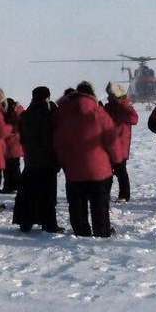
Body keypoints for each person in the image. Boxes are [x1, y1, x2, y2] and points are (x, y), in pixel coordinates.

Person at [54, 81, 118, 237]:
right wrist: (115, 160)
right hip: (99, 169)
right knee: (100, 204)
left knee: (77, 205)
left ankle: (81, 232)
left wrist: (65, 163)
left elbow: (58, 143)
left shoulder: (63, 115)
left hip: (74, 170)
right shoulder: (99, 113)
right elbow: (112, 139)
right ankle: (102, 231)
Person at [14, 86, 63, 233]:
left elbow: (22, 136)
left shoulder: (26, 115)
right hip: (47, 161)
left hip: (30, 159)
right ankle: (49, 224)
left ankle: (25, 221)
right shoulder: (49, 114)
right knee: (48, 195)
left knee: (28, 193)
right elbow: (51, 137)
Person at [104, 82, 138, 202]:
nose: (108, 97)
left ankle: (124, 195)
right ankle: (105, 194)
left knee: (121, 172)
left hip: (120, 147)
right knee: (106, 172)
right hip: (107, 145)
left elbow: (134, 119)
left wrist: (122, 105)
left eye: (111, 95)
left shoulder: (126, 108)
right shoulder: (107, 107)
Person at [2, 97, 25, 194]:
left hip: (9, 143)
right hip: (16, 143)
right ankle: (15, 186)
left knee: (9, 168)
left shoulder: (8, 114)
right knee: (15, 167)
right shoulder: (19, 113)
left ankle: (9, 186)